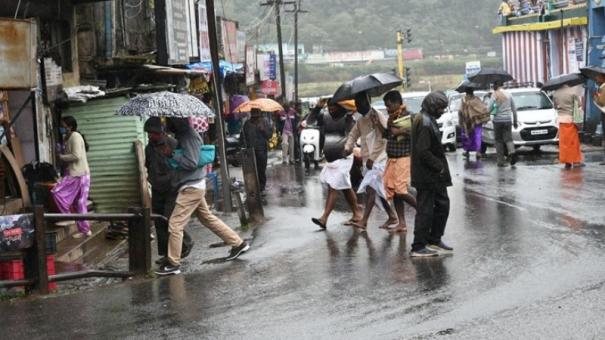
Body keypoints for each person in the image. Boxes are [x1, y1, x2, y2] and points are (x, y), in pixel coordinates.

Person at [155, 117, 249, 276]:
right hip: (193, 184)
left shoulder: (188, 136)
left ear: (176, 122)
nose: (167, 125)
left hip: (191, 187)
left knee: (175, 224)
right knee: (207, 218)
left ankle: (173, 263)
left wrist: (172, 155)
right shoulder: (185, 135)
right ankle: (238, 243)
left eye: (169, 121)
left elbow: (191, 162)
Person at [144, 117, 194, 265]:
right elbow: (148, 164)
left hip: (172, 187)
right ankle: (166, 254)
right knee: (159, 221)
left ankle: (185, 242)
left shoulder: (172, 143)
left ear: (161, 132)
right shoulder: (149, 147)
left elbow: (181, 162)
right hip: (157, 188)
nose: (150, 136)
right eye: (148, 133)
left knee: (170, 219)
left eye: (153, 133)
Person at [345, 91, 397, 231]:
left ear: (367, 101)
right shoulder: (361, 120)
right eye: (356, 104)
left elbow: (383, 139)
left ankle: (364, 220)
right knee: (377, 190)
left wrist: (373, 158)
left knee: (371, 189)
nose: (357, 106)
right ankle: (392, 216)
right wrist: (347, 147)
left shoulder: (378, 116)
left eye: (359, 103)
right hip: (367, 160)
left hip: (379, 159)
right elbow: (353, 134)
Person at [410, 92, 453, 257]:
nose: (442, 111)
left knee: (442, 206)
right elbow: (423, 151)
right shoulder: (425, 123)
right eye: (440, 108)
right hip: (427, 175)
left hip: (435, 175)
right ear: (432, 106)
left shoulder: (427, 119)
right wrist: (439, 167)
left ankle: (434, 240)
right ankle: (419, 246)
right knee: (425, 210)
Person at [311, 100, 362, 229]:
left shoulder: (347, 118)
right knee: (345, 187)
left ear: (340, 106)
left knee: (333, 186)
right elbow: (310, 120)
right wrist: (318, 107)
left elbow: (354, 134)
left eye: (334, 106)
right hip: (332, 158)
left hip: (344, 157)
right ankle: (357, 213)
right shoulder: (325, 116)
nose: (331, 109)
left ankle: (324, 218)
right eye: (329, 107)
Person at [382, 91, 417, 233]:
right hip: (392, 157)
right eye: (386, 106)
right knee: (395, 192)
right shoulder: (391, 118)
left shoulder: (409, 116)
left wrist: (402, 131)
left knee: (401, 191)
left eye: (389, 106)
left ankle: (423, 211)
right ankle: (401, 223)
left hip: (404, 157)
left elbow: (416, 133)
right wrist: (379, 124)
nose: (387, 109)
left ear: (397, 103)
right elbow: (386, 135)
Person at [52, 116, 92, 239]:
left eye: (63, 126)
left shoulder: (75, 136)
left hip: (79, 174)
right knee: (79, 203)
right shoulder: (66, 138)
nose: (61, 128)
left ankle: (68, 216)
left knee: (56, 192)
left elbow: (76, 156)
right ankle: (85, 230)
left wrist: (61, 157)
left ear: (70, 126)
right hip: (74, 173)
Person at [553, 85, 585, 169]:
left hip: (562, 120)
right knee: (573, 141)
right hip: (571, 119)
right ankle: (576, 161)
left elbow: (555, 106)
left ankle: (567, 162)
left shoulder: (555, 93)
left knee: (564, 143)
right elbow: (579, 104)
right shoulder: (572, 92)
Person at [240, 108, 272, 192]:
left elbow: (269, 136)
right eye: (253, 113)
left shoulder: (264, 122)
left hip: (262, 151)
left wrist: (263, 130)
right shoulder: (247, 124)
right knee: (251, 170)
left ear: (259, 113)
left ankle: (262, 187)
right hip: (250, 151)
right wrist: (243, 147)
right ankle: (254, 187)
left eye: (256, 113)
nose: (255, 115)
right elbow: (242, 137)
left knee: (261, 170)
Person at [488, 81, 519, 167]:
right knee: (508, 139)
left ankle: (501, 161)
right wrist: (515, 121)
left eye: (493, 85)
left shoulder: (494, 95)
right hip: (508, 120)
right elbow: (514, 109)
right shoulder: (509, 94)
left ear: (497, 85)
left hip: (498, 121)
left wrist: (489, 113)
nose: (493, 86)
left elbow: (489, 108)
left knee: (498, 141)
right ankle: (512, 153)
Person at [459, 87, 490, 160]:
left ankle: (467, 151)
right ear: (473, 92)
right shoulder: (477, 99)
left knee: (467, 136)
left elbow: (460, 111)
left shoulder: (463, 100)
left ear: (466, 92)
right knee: (477, 136)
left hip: (467, 122)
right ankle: (478, 152)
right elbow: (483, 109)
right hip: (477, 121)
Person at [593, 74, 605, 165]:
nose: (596, 79)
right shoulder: (601, 87)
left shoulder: (603, 88)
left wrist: (596, 96)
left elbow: (601, 102)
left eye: (598, 77)